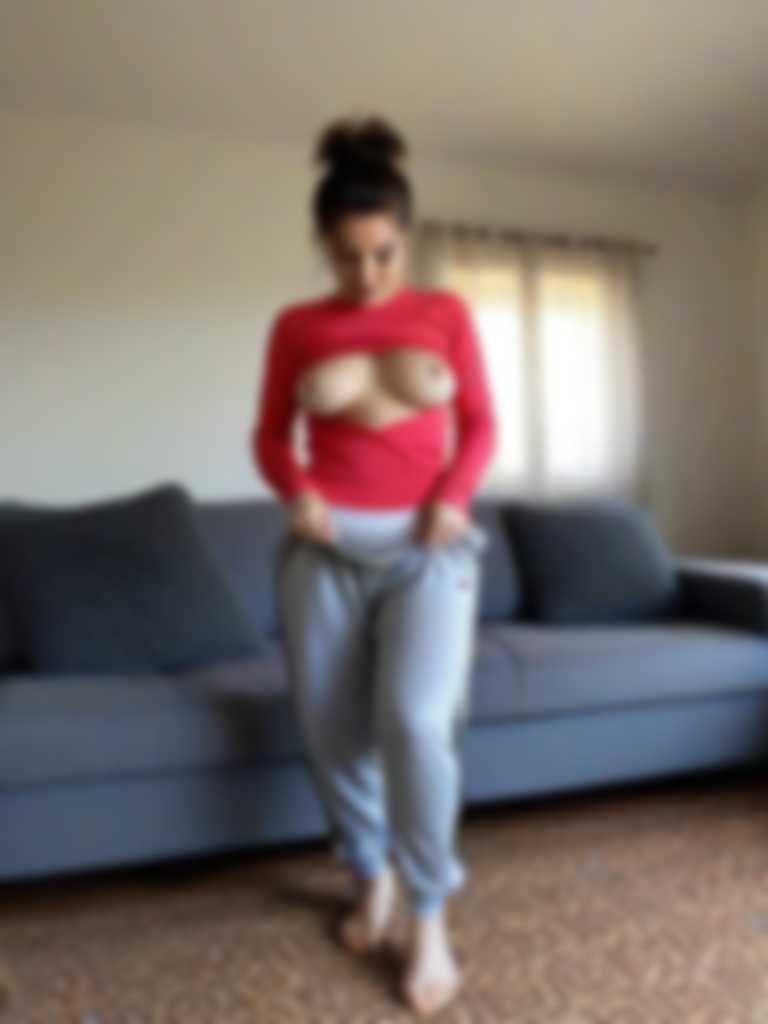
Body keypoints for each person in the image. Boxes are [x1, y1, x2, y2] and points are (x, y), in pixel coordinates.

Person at [250, 114, 497, 1018]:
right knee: (333, 727)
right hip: (325, 554)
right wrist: (297, 489)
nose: (366, 275)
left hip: (427, 552)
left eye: (383, 254)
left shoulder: (445, 316)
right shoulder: (297, 327)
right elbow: (270, 435)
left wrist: (455, 495)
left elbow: (482, 424)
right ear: (323, 245)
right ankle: (369, 875)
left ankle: (428, 912)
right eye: (347, 257)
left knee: (417, 722)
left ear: (406, 237)